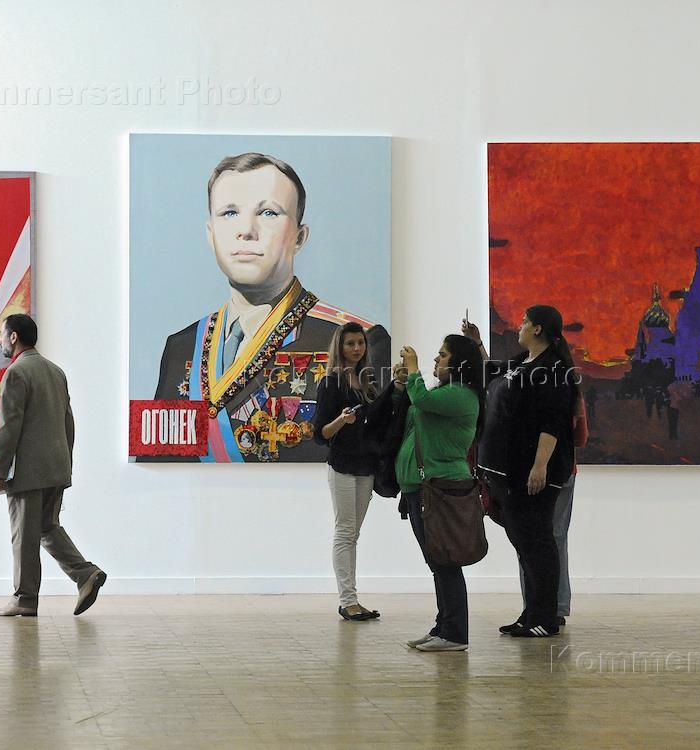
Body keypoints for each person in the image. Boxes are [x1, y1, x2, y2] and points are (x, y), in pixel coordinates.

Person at [151, 152, 390, 462]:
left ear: (300, 238)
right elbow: (158, 462)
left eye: (268, 213)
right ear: (211, 235)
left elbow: (376, 458)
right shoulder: (181, 346)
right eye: (229, 213)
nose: (246, 230)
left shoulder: (361, 340)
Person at [468, 306, 576, 638]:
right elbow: (493, 372)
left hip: (532, 471)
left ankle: (546, 617)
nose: (520, 326)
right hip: (508, 471)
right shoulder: (523, 362)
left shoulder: (554, 370)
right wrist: (477, 343)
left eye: (526, 322)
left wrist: (540, 465)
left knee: (538, 542)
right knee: (523, 543)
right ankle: (531, 613)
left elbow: (552, 423)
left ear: (538, 329)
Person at [0, 314, 105, 617]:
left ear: (14, 337)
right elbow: (69, 422)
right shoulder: (56, 372)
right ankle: (85, 574)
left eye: (2, 334)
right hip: (56, 467)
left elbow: (7, 427)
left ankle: (24, 598)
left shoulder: (16, 373)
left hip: (27, 472)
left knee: (23, 536)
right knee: (47, 527)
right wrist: (66, 464)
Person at [396, 335, 484, 652]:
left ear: (459, 363)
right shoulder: (444, 393)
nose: (436, 359)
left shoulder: (461, 395)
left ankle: (455, 633)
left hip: (441, 486)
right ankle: (443, 626)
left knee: (445, 562)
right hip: (423, 488)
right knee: (437, 562)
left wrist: (414, 368)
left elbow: (420, 400)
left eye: (442, 354)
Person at [312, 322, 389, 621]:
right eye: (350, 344)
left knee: (352, 534)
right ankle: (348, 600)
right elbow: (320, 434)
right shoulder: (331, 383)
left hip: (366, 466)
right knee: (345, 531)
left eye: (360, 343)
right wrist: (341, 421)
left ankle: (352, 598)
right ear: (340, 347)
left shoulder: (368, 382)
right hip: (342, 465)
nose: (357, 349)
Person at [516, 390, 587, 628]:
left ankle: (536, 606)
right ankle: (557, 606)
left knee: (530, 541)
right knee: (556, 539)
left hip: (535, 471)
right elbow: (581, 438)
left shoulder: (529, 394)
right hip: (566, 470)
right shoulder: (571, 394)